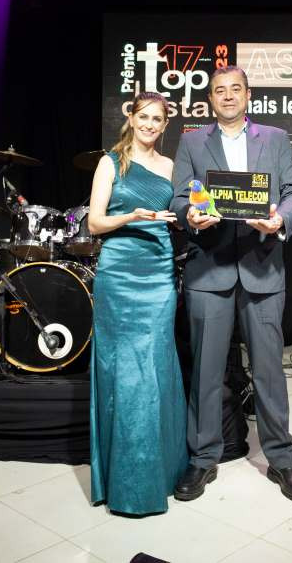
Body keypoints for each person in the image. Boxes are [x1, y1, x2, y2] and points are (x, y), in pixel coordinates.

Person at [170, 66, 292, 504]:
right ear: (210, 100)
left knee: (269, 370)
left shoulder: (276, 138)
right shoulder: (192, 141)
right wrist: (190, 215)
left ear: (248, 95)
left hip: (262, 269)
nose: (228, 96)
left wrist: (280, 218)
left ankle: (282, 459)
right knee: (206, 371)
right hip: (208, 270)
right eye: (220, 90)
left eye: (235, 89)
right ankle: (202, 458)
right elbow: (179, 197)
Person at [87, 91, 188, 515]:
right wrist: (131, 216)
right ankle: (127, 480)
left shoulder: (171, 166)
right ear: (131, 118)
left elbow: (183, 212)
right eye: (143, 116)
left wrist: (193, 216)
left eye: (157, 119)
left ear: (165, 125)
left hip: (159, 274)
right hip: (118, 273)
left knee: (154, 364)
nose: (149, 124)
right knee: (123, 370)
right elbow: (94, 224)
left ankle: (159, 472)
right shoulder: (110, 162)